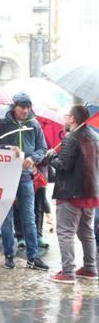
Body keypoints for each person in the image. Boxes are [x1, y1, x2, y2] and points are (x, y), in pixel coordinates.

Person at [0, 92, 49, 271]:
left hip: (25, 177)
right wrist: (7, 148)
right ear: (13, 106)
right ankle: (8, 256)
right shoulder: (1, 123)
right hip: (5, 176)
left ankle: (33, 257)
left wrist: (33, 158)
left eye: (28, 107)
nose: (26, 110)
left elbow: (42, 148)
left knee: (29, 218)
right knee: (6, 219)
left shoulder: (34, 124)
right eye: (22, 107)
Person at [47, 105, 99, 283]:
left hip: (71, 193)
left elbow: (63, 166)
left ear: (73, 119)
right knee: (86, 232)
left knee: (66, 232)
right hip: (90, 192)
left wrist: (51, 156)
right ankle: (90, 268)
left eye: (67, 116)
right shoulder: (95, 136)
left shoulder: (71, 138)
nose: (65, 119)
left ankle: (68, 272)